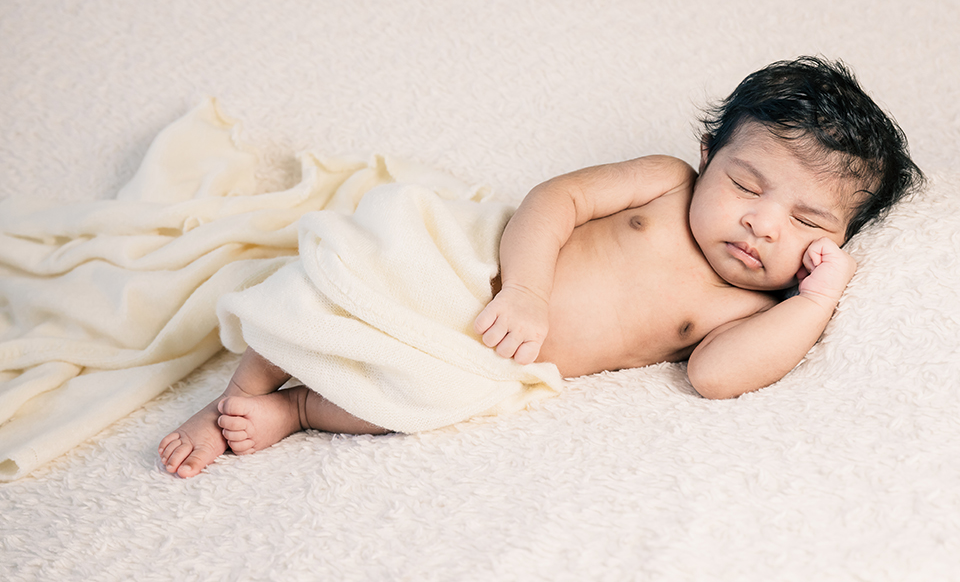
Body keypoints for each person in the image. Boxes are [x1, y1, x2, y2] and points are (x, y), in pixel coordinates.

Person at [159, 56, 924, 478]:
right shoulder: (663, 181)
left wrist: (815, 301)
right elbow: (555, 200)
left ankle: (295, 411)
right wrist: (523, 288)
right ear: (707, 156)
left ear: (837, 240)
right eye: (747, 184)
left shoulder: (750, 309)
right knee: (352, 279)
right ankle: (244, 386)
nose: (762, 222)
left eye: (807, 221)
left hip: (493, 357)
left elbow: (716, 377)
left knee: (434, 393)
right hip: (471, 266)